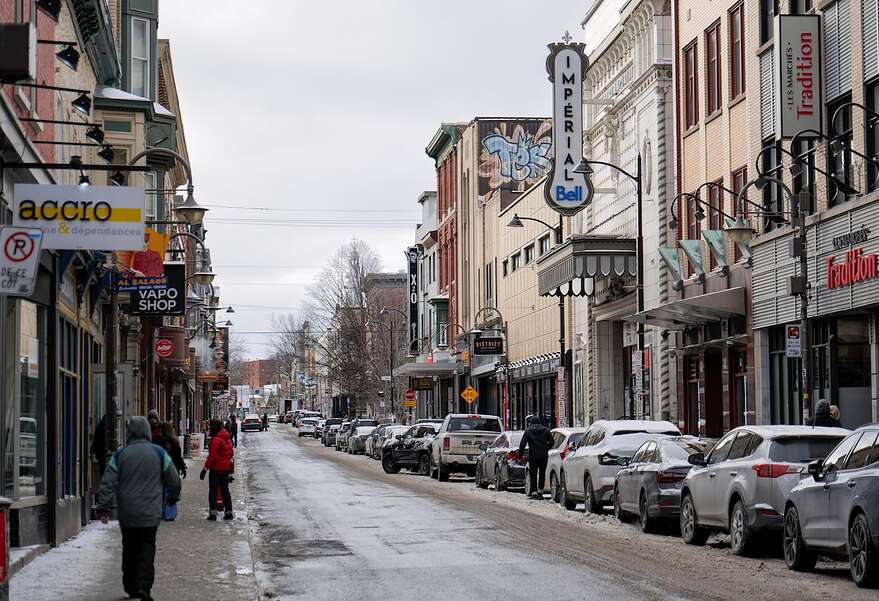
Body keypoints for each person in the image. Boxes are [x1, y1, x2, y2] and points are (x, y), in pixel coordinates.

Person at [97, 416, 181, 601]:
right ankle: (143, 586)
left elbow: (107, 482)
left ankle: (130, 586)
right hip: (150, 512)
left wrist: (103, 506)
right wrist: (173, 497)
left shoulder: (120, 454)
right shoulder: (159, 453)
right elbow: (173, 479)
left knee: (129, 547)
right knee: (146, 547)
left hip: (127, 512)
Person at [201, 419, 234, 520]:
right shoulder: (227, 438)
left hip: (216, 469)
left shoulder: (216, 439)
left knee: (213, 490)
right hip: (225, 469)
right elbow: (231, 453)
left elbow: (212, 456)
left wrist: (205, 468)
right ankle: (228, 512)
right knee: (225, 491)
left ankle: (213, 513)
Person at [518, 414, 554, 499]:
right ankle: (540, 491)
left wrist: (520, 455)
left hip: (533, 456)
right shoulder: (546, 431)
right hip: (543, 456)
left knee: (533, 473)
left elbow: (522, 444)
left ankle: (534, 492)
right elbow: (552, 441)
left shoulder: (528, 431)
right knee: (542, 473)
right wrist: (546, 448)